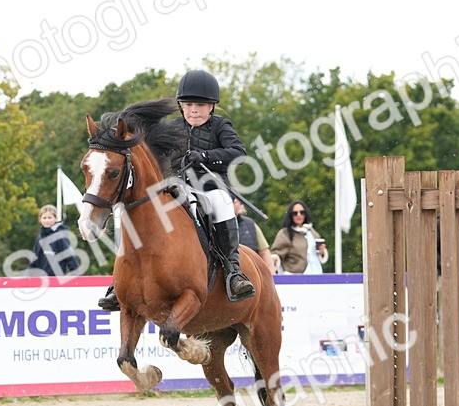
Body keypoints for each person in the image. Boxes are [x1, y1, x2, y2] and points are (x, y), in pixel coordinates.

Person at [97, 69, 254, 311]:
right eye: (189, 104)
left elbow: (238, 153)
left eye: (200, 106)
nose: (194, 110)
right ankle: (118, 283)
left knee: (222, 205)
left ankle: (233, 271)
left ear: (212, 106)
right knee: (127, 216)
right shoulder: (173, 127)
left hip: (211, 185)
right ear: (181, 106)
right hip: (175, 186)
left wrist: (205, 156)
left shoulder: (221, 126)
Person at [271, 200, 329, 275]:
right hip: (294, 277)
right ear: (290, 216)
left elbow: (319, 254)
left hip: (316, 274)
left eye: (302, 212)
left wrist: (322, 252)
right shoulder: (285, 234)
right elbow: (276, 254)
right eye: (295, 213)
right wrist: (275, 259)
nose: (299, 215)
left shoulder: (312, 232)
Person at [29, 204, 79, 275]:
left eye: (50, 217)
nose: (47, 220)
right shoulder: (40, 238)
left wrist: (77, 275)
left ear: (55, 218)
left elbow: (69, 257)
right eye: (44, 218)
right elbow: (34, 260)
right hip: (42, 280)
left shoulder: (60, 236)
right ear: (40, 219)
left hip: (57, 280)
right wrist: (27, 277)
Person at [233, 198, 278, 274]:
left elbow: (264, 252)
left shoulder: (250, 224)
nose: (240, 204)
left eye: (235, 202)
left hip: (252, 275)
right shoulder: (213, 225)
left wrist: (271, 277)